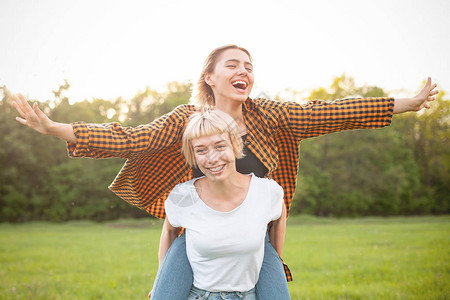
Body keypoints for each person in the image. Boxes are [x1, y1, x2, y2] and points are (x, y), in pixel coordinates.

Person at [11, 44, 438, 300]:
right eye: (233, 65)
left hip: (255, 232)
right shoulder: (186, 120)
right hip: (193, 231)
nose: (244, 71)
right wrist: (54, 128)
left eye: (249, 66)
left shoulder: (271, 115)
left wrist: (406, 103)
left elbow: (331, 112)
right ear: (209, 77)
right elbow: (132, 139)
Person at [160, 109, 286, 299]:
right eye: (201, 150)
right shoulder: (183, 196)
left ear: (235, 145)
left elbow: (279, 218)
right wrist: (164, 282)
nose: (212, 159)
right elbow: (169, 231)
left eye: (220, 146)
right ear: (193, 155)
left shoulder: (267, 192)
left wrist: (272, 265)